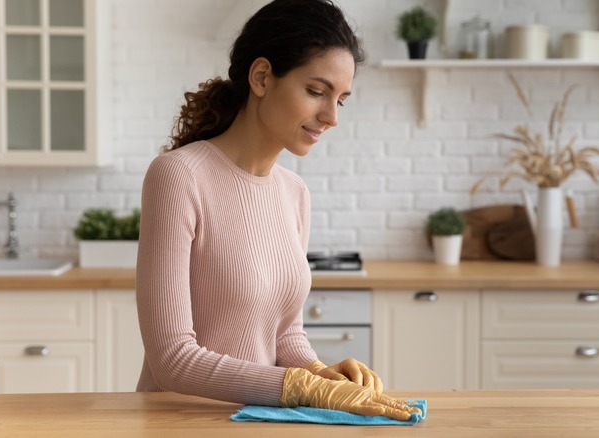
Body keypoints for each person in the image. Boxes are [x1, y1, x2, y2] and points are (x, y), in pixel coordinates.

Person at [136, 0, 419, 421]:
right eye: (316, 91)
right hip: (181, 423)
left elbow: (284, 333)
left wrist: (320, 372)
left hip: (261, 421)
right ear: (262, 77)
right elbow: (172, 358)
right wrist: (302, 387)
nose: (330, 117)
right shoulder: (178, 176)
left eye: (341, 100)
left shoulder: (294, 193)